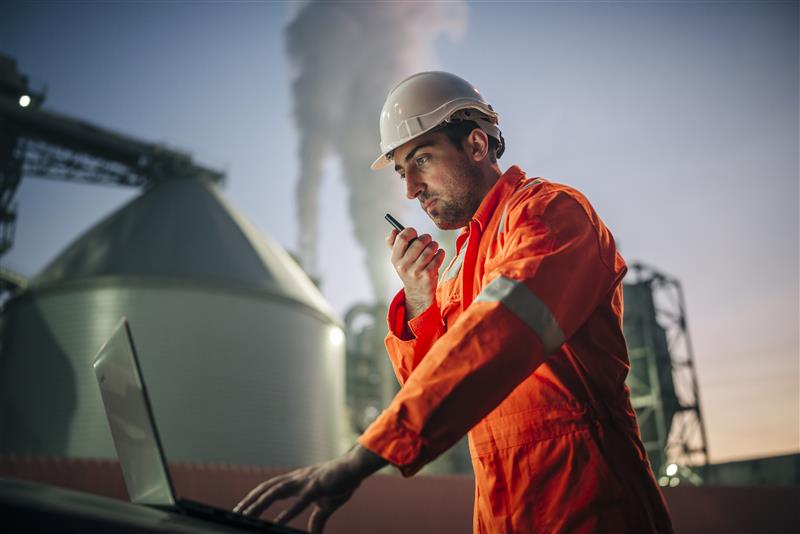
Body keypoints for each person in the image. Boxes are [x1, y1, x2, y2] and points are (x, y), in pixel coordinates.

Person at [235, 71, 674, 534]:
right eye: (402, 172)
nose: (411, 189)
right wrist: (420, 298)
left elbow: (498, 337)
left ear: (477, 145)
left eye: (422, 159)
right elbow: (434, 387)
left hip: (591, 510)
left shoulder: (549, 214)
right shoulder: (459, 265)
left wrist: (365, 456)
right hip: (501, 515)